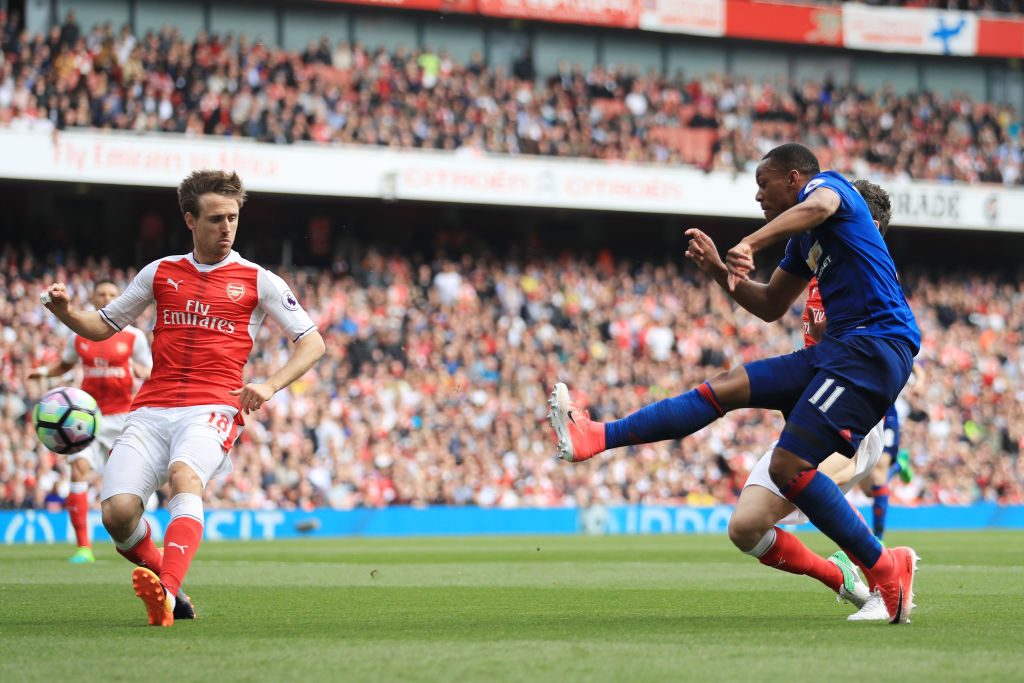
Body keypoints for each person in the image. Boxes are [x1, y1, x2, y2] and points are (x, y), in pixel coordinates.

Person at [549, 144, 920, 624]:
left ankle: (886, 570)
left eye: (764, 184)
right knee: (727, 388)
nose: (758, 194)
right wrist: (719, 273)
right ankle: (595, 436)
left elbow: (820, 206)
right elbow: (769, 304)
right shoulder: (804, 245)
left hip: (873, 346)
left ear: (793, 179)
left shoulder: (831, 189)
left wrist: (750, 243)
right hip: (836, 353)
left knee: (791, 465)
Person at [40, 170, 326, 626]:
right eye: (216, 219)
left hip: (214, 405)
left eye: (233, 217)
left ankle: (167, 596)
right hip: (152, 407)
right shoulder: (160, 272)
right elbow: (103, 326)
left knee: (183, 477)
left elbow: (312, 342)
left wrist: (270, 385)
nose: (227, 227)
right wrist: (65, 313)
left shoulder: (258, 279)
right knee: (117, 514)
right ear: (190, 220)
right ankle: (167, 582)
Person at [720, 179, 896, 622]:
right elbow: (771, 304)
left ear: (866, 224)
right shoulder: (821, 268)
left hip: (854, 425)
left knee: (804, 482)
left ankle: (889, 575)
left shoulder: (869, 279)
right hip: (813, 417)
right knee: (745, 529)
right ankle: (840, 577)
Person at [30, 279, 152, 564]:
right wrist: (45, 372)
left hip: (124, 416)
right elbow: (66, 363)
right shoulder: (79, 334)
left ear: (117, 298)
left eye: (112, 294)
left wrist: (140, 370)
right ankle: (83, 548)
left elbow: (150, 370)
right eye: (102, 293)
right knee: (79, 471)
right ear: (94, 297)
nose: (107, 298)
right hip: (86, 416)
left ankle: (132, 539)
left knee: (126, 481)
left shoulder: (133, 337)